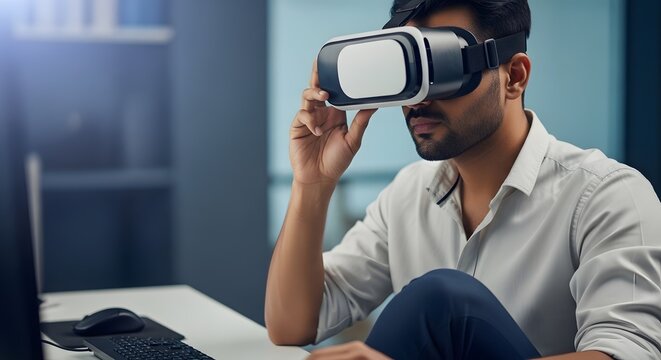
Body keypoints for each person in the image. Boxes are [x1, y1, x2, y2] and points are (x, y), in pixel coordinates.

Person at [264, 0, 661, 359]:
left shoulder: (606, 196)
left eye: (441, 66)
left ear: (514, 76)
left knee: (440, 300)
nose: (418, 99)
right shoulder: (408, 196)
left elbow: (626, 352)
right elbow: (293, 324)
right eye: (407, 70)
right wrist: (312, 184)